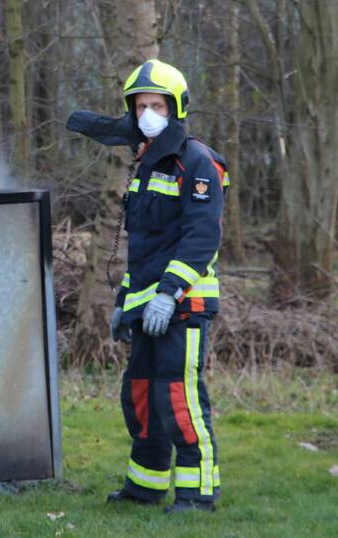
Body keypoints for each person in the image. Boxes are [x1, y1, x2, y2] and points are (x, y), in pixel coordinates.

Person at [68, 60, 228, 514]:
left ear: (175, 108)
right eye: (140, 106)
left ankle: (198, 494)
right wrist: (126, 302)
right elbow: (144, 247)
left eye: (156, 105)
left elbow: (201, 236)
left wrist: (170, 291)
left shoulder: (197, 161)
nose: (147, 114)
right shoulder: (144, 163)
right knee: (140, 396)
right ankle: (145, 486)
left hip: (183, 302)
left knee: (178, 396)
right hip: (146, 304)